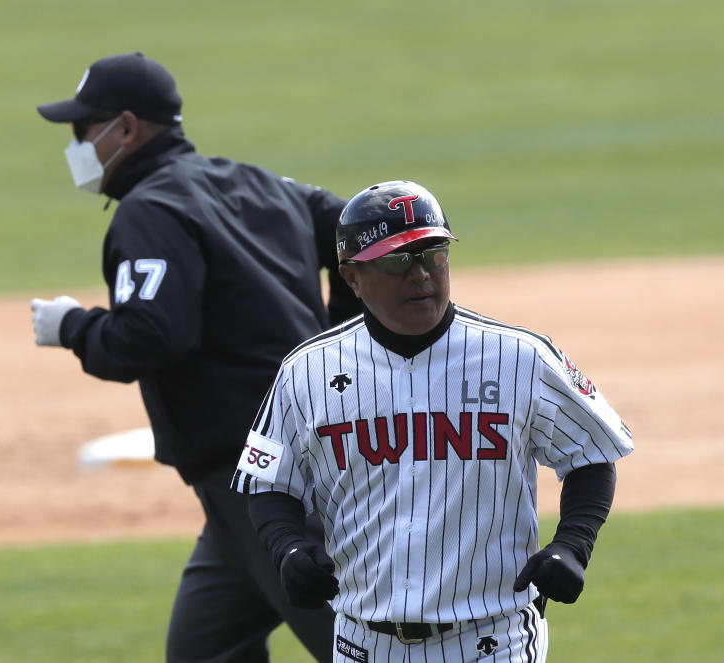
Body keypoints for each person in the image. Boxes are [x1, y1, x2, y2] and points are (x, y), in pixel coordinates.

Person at [29, 52, 360, 663]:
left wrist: (73, 327)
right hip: (264, 473)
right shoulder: (259, 182)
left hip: (266, 482)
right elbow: (350, 223)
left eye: (83, 130)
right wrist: (343, 337)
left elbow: (148, 336)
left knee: (362, 651)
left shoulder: (150, 210)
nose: (77, 145)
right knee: (205, 651)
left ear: (125, 129)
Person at [232, 180, 634, 662]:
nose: (421, 274)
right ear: (351, 277)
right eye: (398, 260)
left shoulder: (518, 359)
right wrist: (288, 548)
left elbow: (590, 453)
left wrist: (573, 544)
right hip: (362, 644)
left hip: (493, 641)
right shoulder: (308, 371)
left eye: (433, 253)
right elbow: (268, 479)